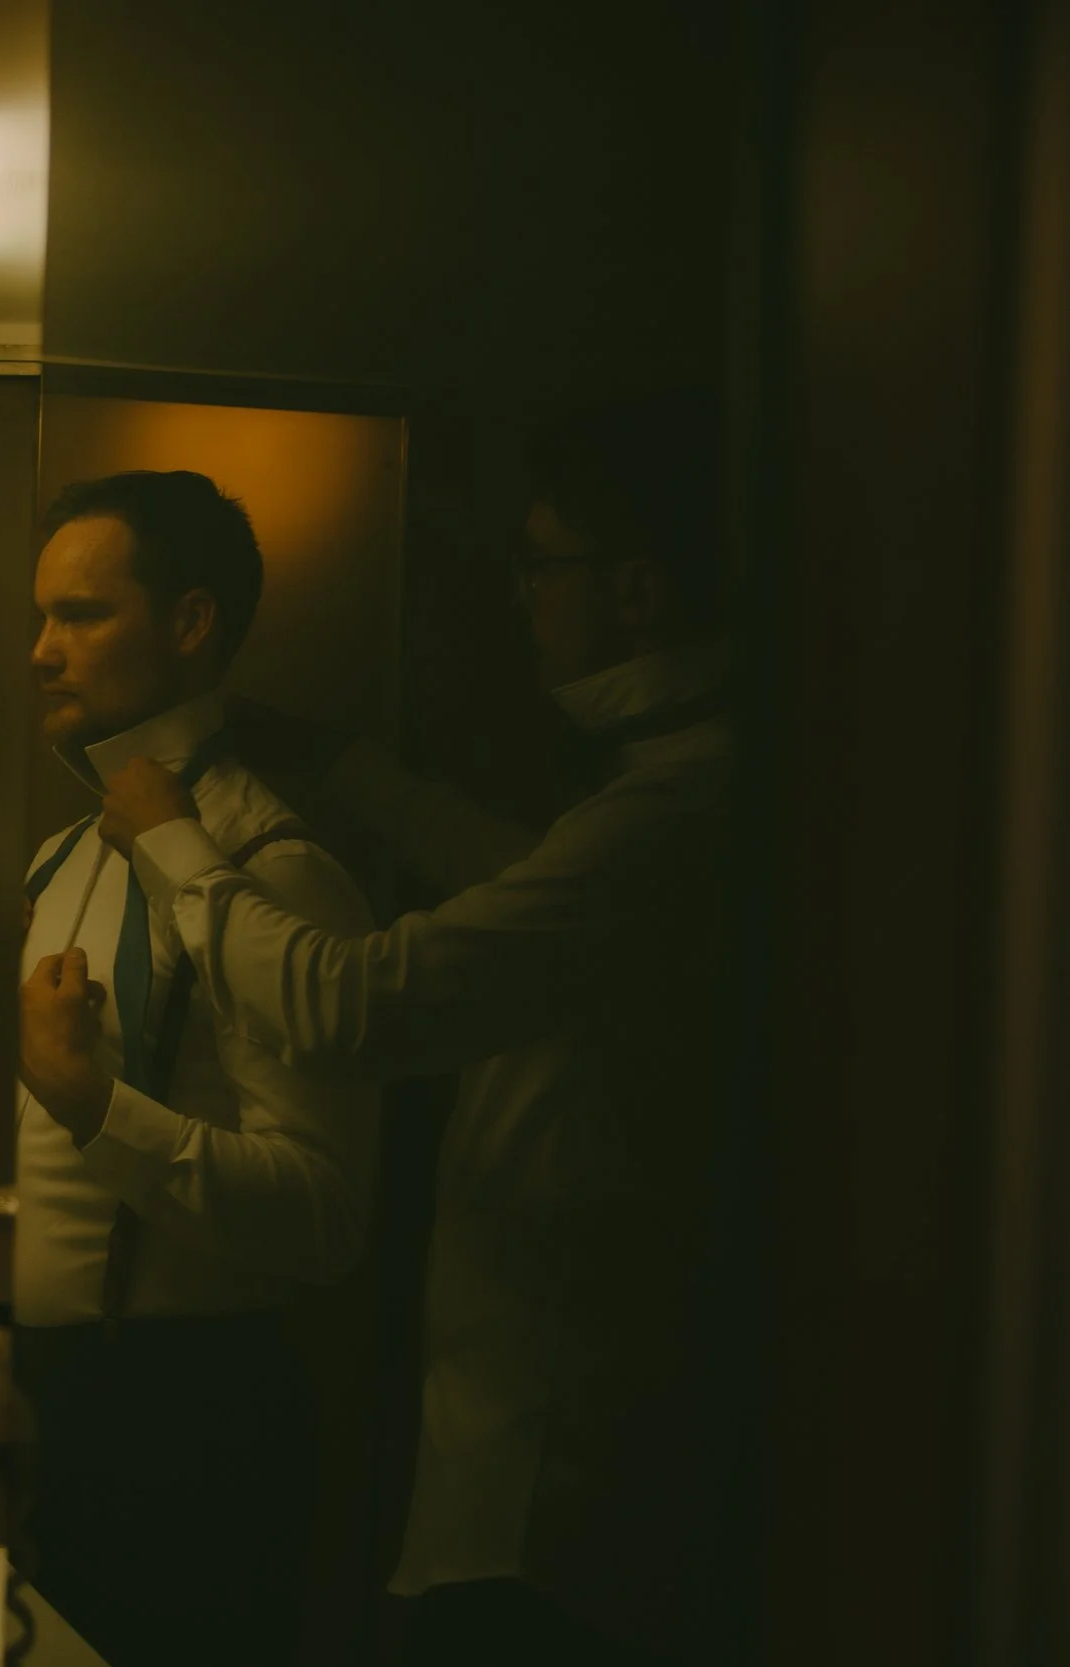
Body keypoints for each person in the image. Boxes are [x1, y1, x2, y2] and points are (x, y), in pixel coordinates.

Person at [92, 392, 732, 1666]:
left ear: (641, 589)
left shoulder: (680, 810)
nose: (521, 599)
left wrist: (168, 837)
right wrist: (340, 763)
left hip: (560, 1463)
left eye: (543, 567)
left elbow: (355, 1007)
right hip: (517, 1443)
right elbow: (525, 881)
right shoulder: (654, 800)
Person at [12, 470, 381, 1667]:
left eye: (82, 616)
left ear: (188, 624)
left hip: (193, 1417)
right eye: (41, 618)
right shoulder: (58, 859)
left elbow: (325, 1214)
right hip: (54, 1400)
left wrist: (92, 1105)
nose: (41, 652)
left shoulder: (271, 868)